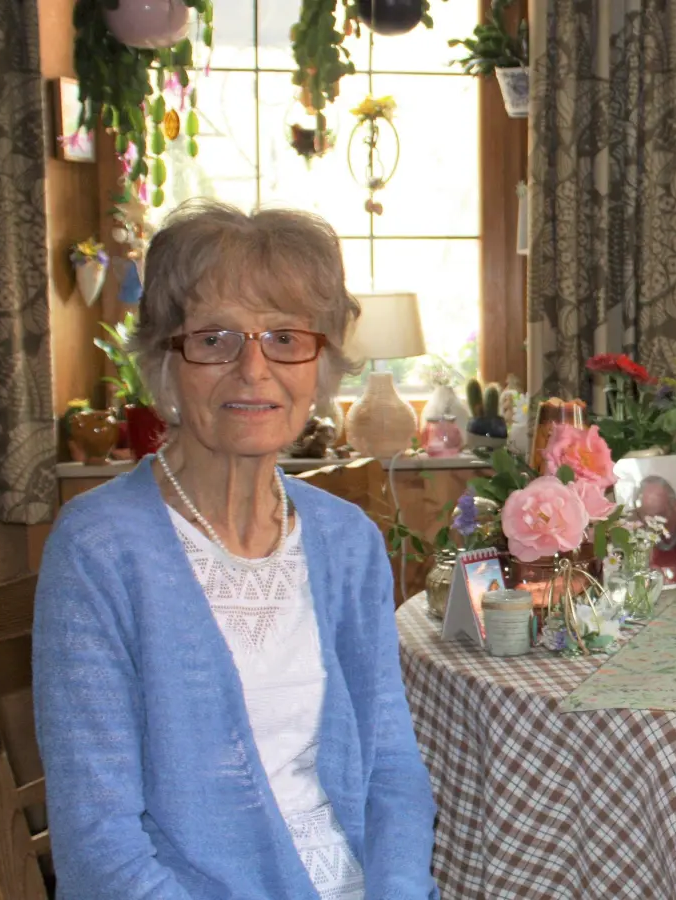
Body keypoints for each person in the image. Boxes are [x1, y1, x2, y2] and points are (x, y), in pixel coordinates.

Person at [33, 201, 439, 900]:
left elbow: (392, 770)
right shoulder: (99, 550)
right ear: (166, 359)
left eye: (285, 337)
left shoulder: (348, 543)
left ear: (322, 362)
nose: (253, 369)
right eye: (215, 338)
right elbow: (101, 847)